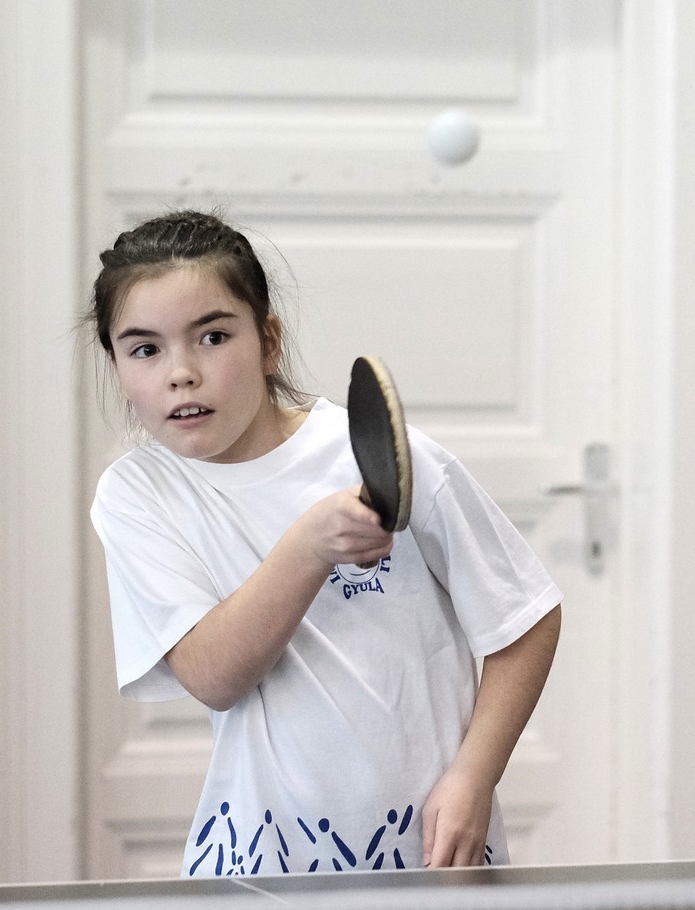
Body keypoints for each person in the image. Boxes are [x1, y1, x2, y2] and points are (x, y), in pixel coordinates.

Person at [88, 210, 562, 875]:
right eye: (145, 349)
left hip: (433, 856)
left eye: (213, 337)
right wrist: (309, 545)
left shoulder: (379, 456)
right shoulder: (139, 495)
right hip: (260, 869)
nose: (181, 373)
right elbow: (214, 676)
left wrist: (474, 777)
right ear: (117, 366)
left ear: (268, 341)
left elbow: (525, 618)